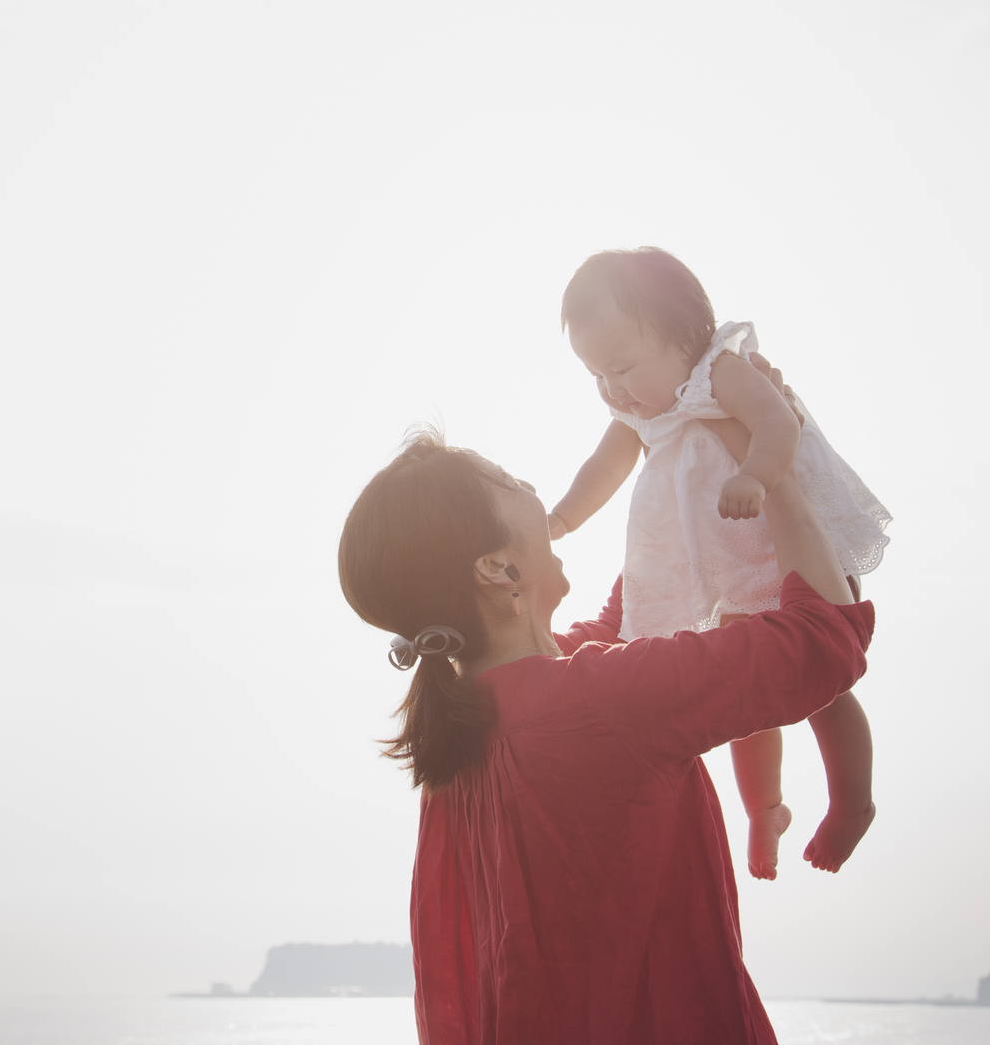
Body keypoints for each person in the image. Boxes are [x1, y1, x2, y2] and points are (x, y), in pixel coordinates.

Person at [338, 389, 873, 1043]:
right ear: (497, 568)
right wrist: (773, 467)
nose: (534, 491)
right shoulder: (600, 701)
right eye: (511, 483)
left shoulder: (465, 728)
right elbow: (823, 640)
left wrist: (681, 466)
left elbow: (635, 612)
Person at [548, 247, 888, 877]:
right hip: (728, 570)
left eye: (621, 367)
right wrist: (563, 518)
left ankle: (851, 802)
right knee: (745, 697)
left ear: (683, 338)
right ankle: (764, 809)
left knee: (826, 688)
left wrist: (756, 475)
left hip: (786, 550)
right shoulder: (638, 412)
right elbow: (604, 468)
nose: (613, 390)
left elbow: (777, 420)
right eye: (596, 375)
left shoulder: (717, 372)